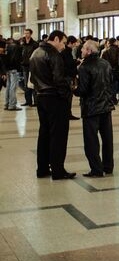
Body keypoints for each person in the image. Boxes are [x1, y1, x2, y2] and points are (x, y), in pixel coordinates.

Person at [29, 30, 75, 180]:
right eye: (63, 42)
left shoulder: (35, 52)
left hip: (41, 97)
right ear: (56, 39)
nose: (63, 46)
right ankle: (58, 170)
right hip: (55, 98)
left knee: (44, 133)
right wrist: (66, 95)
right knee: (58, 135)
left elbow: (33, 78)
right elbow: (58, 79)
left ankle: (42, 168)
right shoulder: (54, 54)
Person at [75, 40, 114, 177]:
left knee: (91, 141)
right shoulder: (105, 63)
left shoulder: (84, 67)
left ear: (89, 51)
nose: (81, 51)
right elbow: (110, 82)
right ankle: (108, 166)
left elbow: (83, 90)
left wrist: (74, 89)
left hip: (91, 108)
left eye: (83, 49)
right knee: (107, 138)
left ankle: (96, 169)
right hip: (106, 106)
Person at [101, 38, 119, 104]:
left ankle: (113, 98)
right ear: (114, 42)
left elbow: (103, 62)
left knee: (112, 84)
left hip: (110, 70)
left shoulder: (105, 51)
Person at [4, 33, 22, 111]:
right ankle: (12, 105)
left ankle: (7, 104)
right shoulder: (18, 47)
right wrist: (18, 68)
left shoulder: (9, 46)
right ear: (19, 39)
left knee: (8, 87)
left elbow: (6, 58)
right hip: (14, 69)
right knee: (13, 88)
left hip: (8, 69)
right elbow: (16, 59)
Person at [62, 36, 79, 120]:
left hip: (69, 76)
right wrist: (77, 62)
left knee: (69, 96)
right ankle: (67, 114)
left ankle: (67, 113)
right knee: (68, 96)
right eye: (74, 43)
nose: (75, 45)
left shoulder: (68, 52)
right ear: (70, 43)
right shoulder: (66, 52)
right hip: (68, 77)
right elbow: (69, 64)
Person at [20, 28, 38, 107]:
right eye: (25, 33)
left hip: (32, 66)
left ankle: (36, 101)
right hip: (24, 66)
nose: (26, 35)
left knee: (33, 83)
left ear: (31, 34)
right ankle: (28, 101)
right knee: (26, 84)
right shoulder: (22, 44)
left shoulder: (34, 44)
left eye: (27, 33)